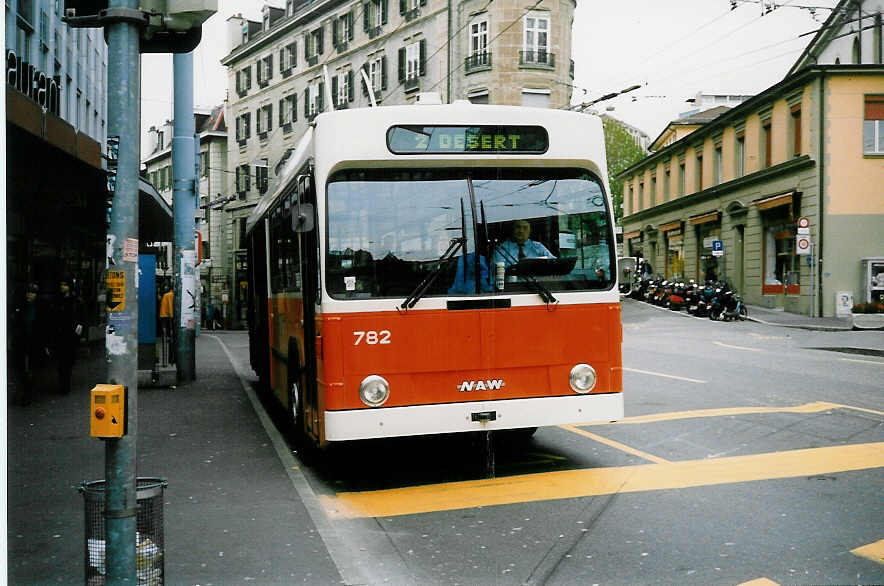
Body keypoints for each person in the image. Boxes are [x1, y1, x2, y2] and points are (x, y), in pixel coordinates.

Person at [11, 283, 47, 403]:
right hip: (22, 341)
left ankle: (27, 393)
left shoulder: (40, 308)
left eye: (32, 293)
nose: (29, 295)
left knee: (30, 368)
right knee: (22, 368)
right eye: (28, 292)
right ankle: (25, 390)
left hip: (34, 342)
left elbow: (43, 327)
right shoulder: (22, 307)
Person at [51, 275, 84, 395]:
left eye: (64, 285)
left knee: (68, 361)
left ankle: (65, 384)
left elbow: (81, 316)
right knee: (61, 362)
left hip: (70, 335)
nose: (62, 287)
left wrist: (80, 327)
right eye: (61, 285)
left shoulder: (76, 300)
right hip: (60, 335)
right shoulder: (58, 300)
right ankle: (63, 384)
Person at [159, 283, 175, 364]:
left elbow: (163, 312)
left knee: (170, 340)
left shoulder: (167, 296)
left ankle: (171, 360)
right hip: (177, 320)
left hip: (169, 319)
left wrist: (163, 326)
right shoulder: (177, 295)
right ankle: (173, 359)